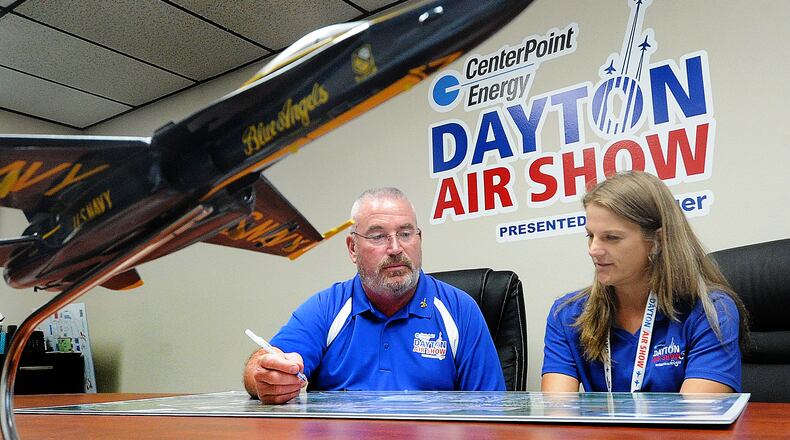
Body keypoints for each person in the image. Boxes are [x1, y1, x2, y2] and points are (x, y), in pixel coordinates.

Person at [244, 187, 505, 403]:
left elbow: (492, 410)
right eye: (378, 236)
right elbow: (265, 364)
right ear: (353, 248)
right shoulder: (326, 308)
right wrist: (263, 377)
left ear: (419, 239)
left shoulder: (460, 310)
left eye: (405, 234)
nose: (395, 248)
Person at [541, 171, 748, 393]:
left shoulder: (711, 311)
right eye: (590, 236)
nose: (594, 250)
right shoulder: (567, 314)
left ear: (657, 241)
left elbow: (696, 418)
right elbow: (557, 412)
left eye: (612, 237)